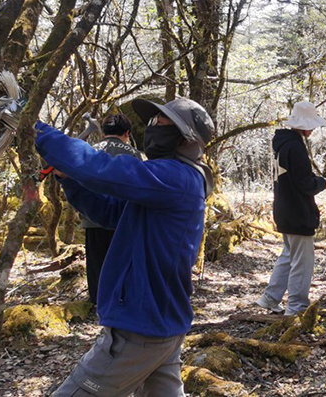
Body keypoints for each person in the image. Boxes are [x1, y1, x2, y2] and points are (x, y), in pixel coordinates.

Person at [34, 96, 214, 396]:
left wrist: (39, 132)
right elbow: (111, 212)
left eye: (162, 122)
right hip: (162, 324)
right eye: (153, 120)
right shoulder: (171, 180)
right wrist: (70, 179)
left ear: (186, 138)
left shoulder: (177, 178)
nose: (153, 126)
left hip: (139, 330)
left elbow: (104, 170)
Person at [255, 101, 326, 316]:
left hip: (285, 210)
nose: (313, 129)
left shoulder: (284, 144)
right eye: (311, 125)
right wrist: (322, 183)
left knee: (288, 256)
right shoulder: (295, 147)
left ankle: (270, 298)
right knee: (302, 262)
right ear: (303, 125)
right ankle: (296, 307)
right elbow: (305, 184)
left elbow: (296, 178)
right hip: (298, 213)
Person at [82, 114, 141, 305]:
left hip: (93, 217)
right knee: (124, 263)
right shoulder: (133, 153)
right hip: (125, 219)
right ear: (127, 133)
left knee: (97, 263)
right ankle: (123, 301)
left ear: (103, 132)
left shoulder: (91, 151)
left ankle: (99, 303)